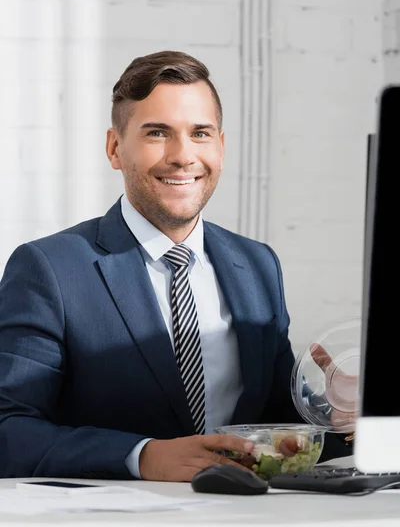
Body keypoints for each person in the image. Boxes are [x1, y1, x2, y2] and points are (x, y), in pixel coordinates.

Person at [0, 51, 354, 481]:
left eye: (200, 133)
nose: (183, 155)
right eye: (157, 133)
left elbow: (272, 424)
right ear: (115, 148)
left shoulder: (257, 265)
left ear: (221, 148)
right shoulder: (50, 269)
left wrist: (331, 419)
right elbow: (9, 428)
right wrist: (142, 456)